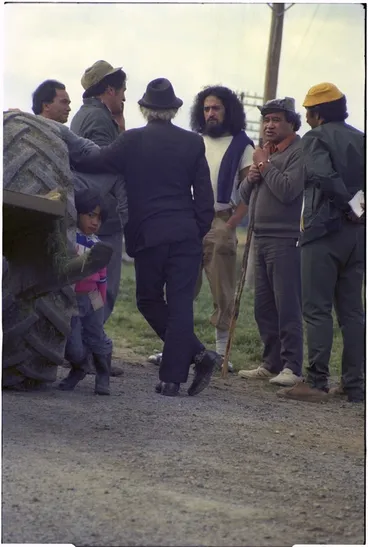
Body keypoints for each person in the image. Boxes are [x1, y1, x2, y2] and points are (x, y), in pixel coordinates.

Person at [84, 77, 221, 397]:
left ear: (144, 109)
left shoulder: (131, 140)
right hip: (185, 233)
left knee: (148, 300)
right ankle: (178, 375)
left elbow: (93, 161)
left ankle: (195, 360)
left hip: (149, 236)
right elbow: (204, 197)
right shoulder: (192, 143)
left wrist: (60, 142)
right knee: (180, 305)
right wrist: (196, 231)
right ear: (173, 110)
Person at [148, 85, 254, 370]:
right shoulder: (191, 141)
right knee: (180, 286)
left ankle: (220, 355)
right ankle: (173, 348)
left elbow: (249, 190)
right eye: (206, 108)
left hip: (221, 219)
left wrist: (232, 223)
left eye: (216, 108)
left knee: (223, 288)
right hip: (187, 219)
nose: (210, 113)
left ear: (227, 111)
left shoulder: (242, 144)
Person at [277, 83, 365, 403]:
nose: (306, 117)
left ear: (317, 113)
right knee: (353, 312)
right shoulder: (361, 138)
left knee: (317, 310)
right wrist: (360, 209)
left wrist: (349, 204)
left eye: (307, 111)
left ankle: (316, 382)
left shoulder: (315, 138)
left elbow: (324, 177)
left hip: (321, 233)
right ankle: (355, 385)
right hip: (358, 236)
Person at [238, 97, 304, 387]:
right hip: (259, 237)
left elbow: (288, 190)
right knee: (263, 306)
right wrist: (252, 177)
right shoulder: (265, 154)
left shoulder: (298, 152)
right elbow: (242, 197)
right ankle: (270, 362)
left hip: (285, 238)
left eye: (276, 119)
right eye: (266, 120)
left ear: (291, 123)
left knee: (286, 304)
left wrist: (263, 166)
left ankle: (292, 366)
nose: (269, 125)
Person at [71, 60, 128, 324]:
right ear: (109, 90)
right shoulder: (99, 119)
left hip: (89, 215)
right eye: (122, 90)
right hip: (103, 219)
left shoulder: (85, 114)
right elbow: (107, 165)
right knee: (104, 290)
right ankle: (93, 350)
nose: (125, 97)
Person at [59, 188, 113, 395]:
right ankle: (79, 367)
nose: (95, 222)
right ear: (77, 212)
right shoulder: (70, 241)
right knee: (73, 344)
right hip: (72, 298)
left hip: (92, 297)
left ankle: (103, 374)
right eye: (90, 215)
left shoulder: (99, 246)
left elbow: (103, 278)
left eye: (99, 218)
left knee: (96, 335)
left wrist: (99, 305)